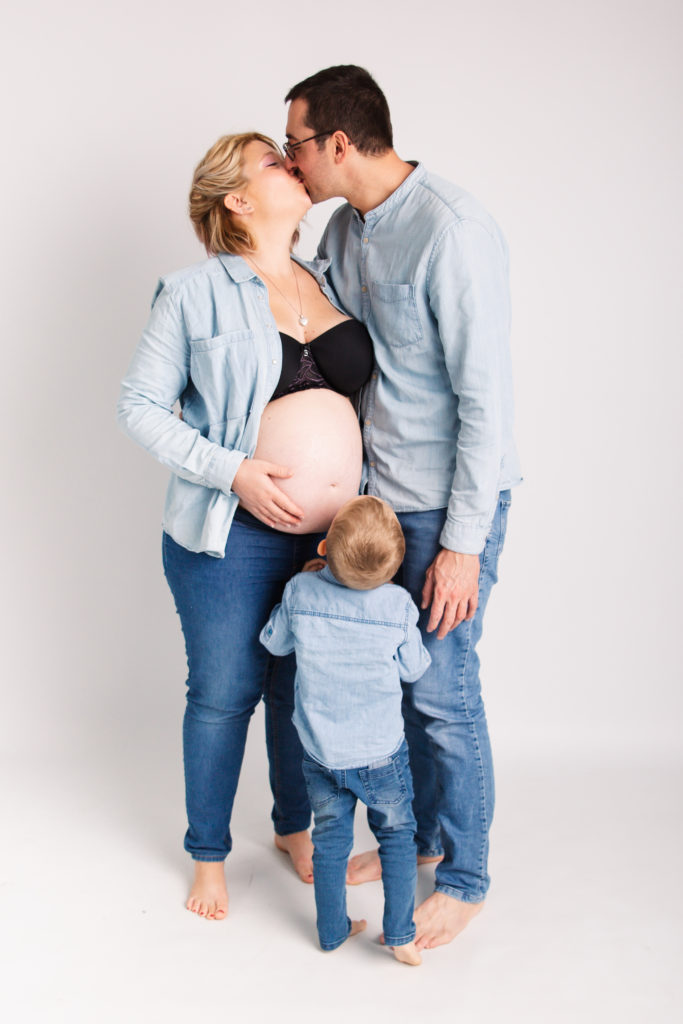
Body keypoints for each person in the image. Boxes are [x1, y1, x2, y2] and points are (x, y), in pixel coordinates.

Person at [283, 66, 522, 949]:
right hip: (379, 506)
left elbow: (485, 405)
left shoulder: (453, 232)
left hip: (448, 505)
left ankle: (464, 878)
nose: (290, 158)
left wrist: (460, 545)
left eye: (295, 146)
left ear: (339, 144)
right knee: (401, 687)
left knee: (444, 696)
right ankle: (416, 838)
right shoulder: (347, 228)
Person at [117, 131, 374, 921]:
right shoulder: (193, 292)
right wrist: (235, 472)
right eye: (272, 162)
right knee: (227, 692)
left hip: (329, 540)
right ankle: (207, 856)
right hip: (230, 532)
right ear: (235, 199)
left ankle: (293, 829)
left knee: (301, 687)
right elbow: (138, 407)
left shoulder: (330, 278)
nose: (291, 166)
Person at [260, 496, 431, 965]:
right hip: (381, 755)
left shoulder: (301, 590)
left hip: (320, 754)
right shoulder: (397, 604)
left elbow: (274, 643)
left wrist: (305, 585)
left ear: (324, 545)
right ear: (394, 566)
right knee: (397, 838)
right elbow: (414, 669)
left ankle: (332, 931)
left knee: (331, 841)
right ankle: (400, 935)